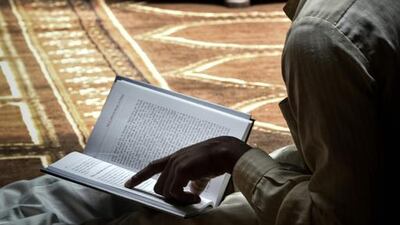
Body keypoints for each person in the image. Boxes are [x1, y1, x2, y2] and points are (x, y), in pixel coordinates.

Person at [0, 0, 395, 224]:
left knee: (158, 215)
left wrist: (235, 157)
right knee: (108, 184)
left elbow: (334, 219)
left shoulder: (322, 35)